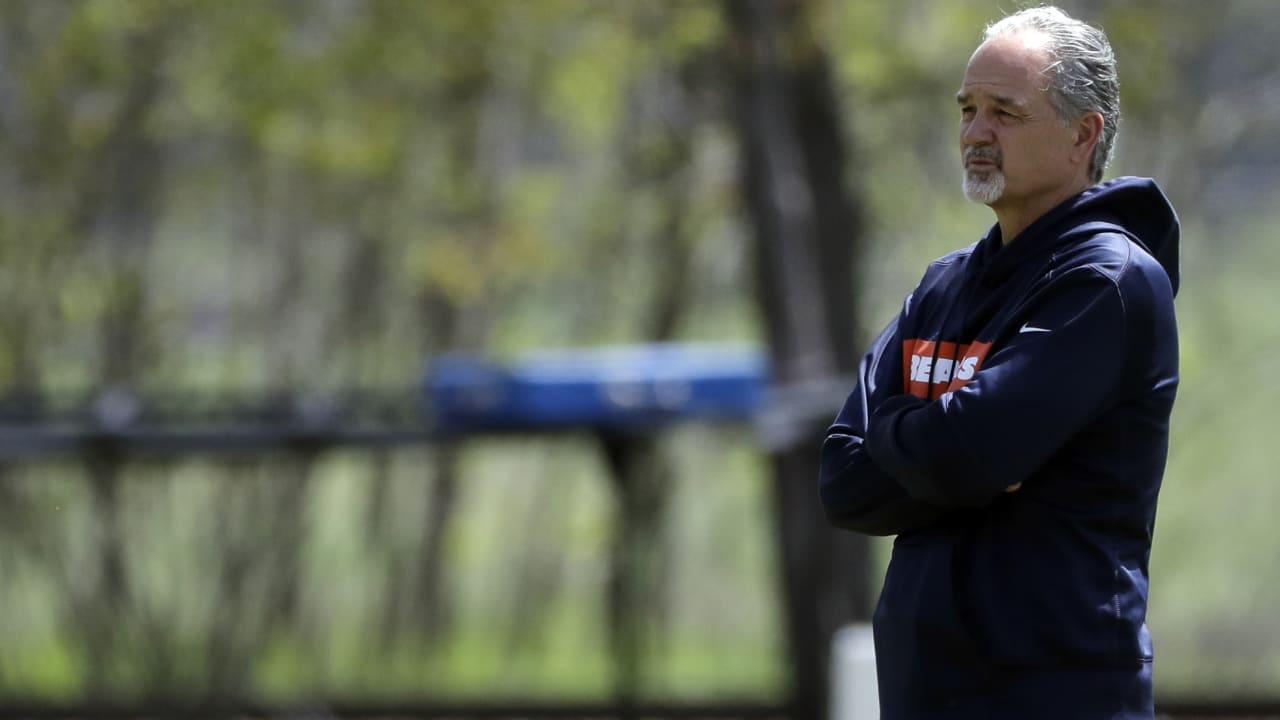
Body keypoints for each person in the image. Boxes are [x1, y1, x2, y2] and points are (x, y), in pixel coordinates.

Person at [819, 6, 1179, 719]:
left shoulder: (1106, 283)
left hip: (1056, 694)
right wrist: (944, 445)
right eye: (968, 109)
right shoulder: (942, 286)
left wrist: (913, 438)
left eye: (1005, 113)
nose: (976, 133)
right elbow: (842, 480)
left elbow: (963, 454)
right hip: (925, 691)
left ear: (1084, 133)